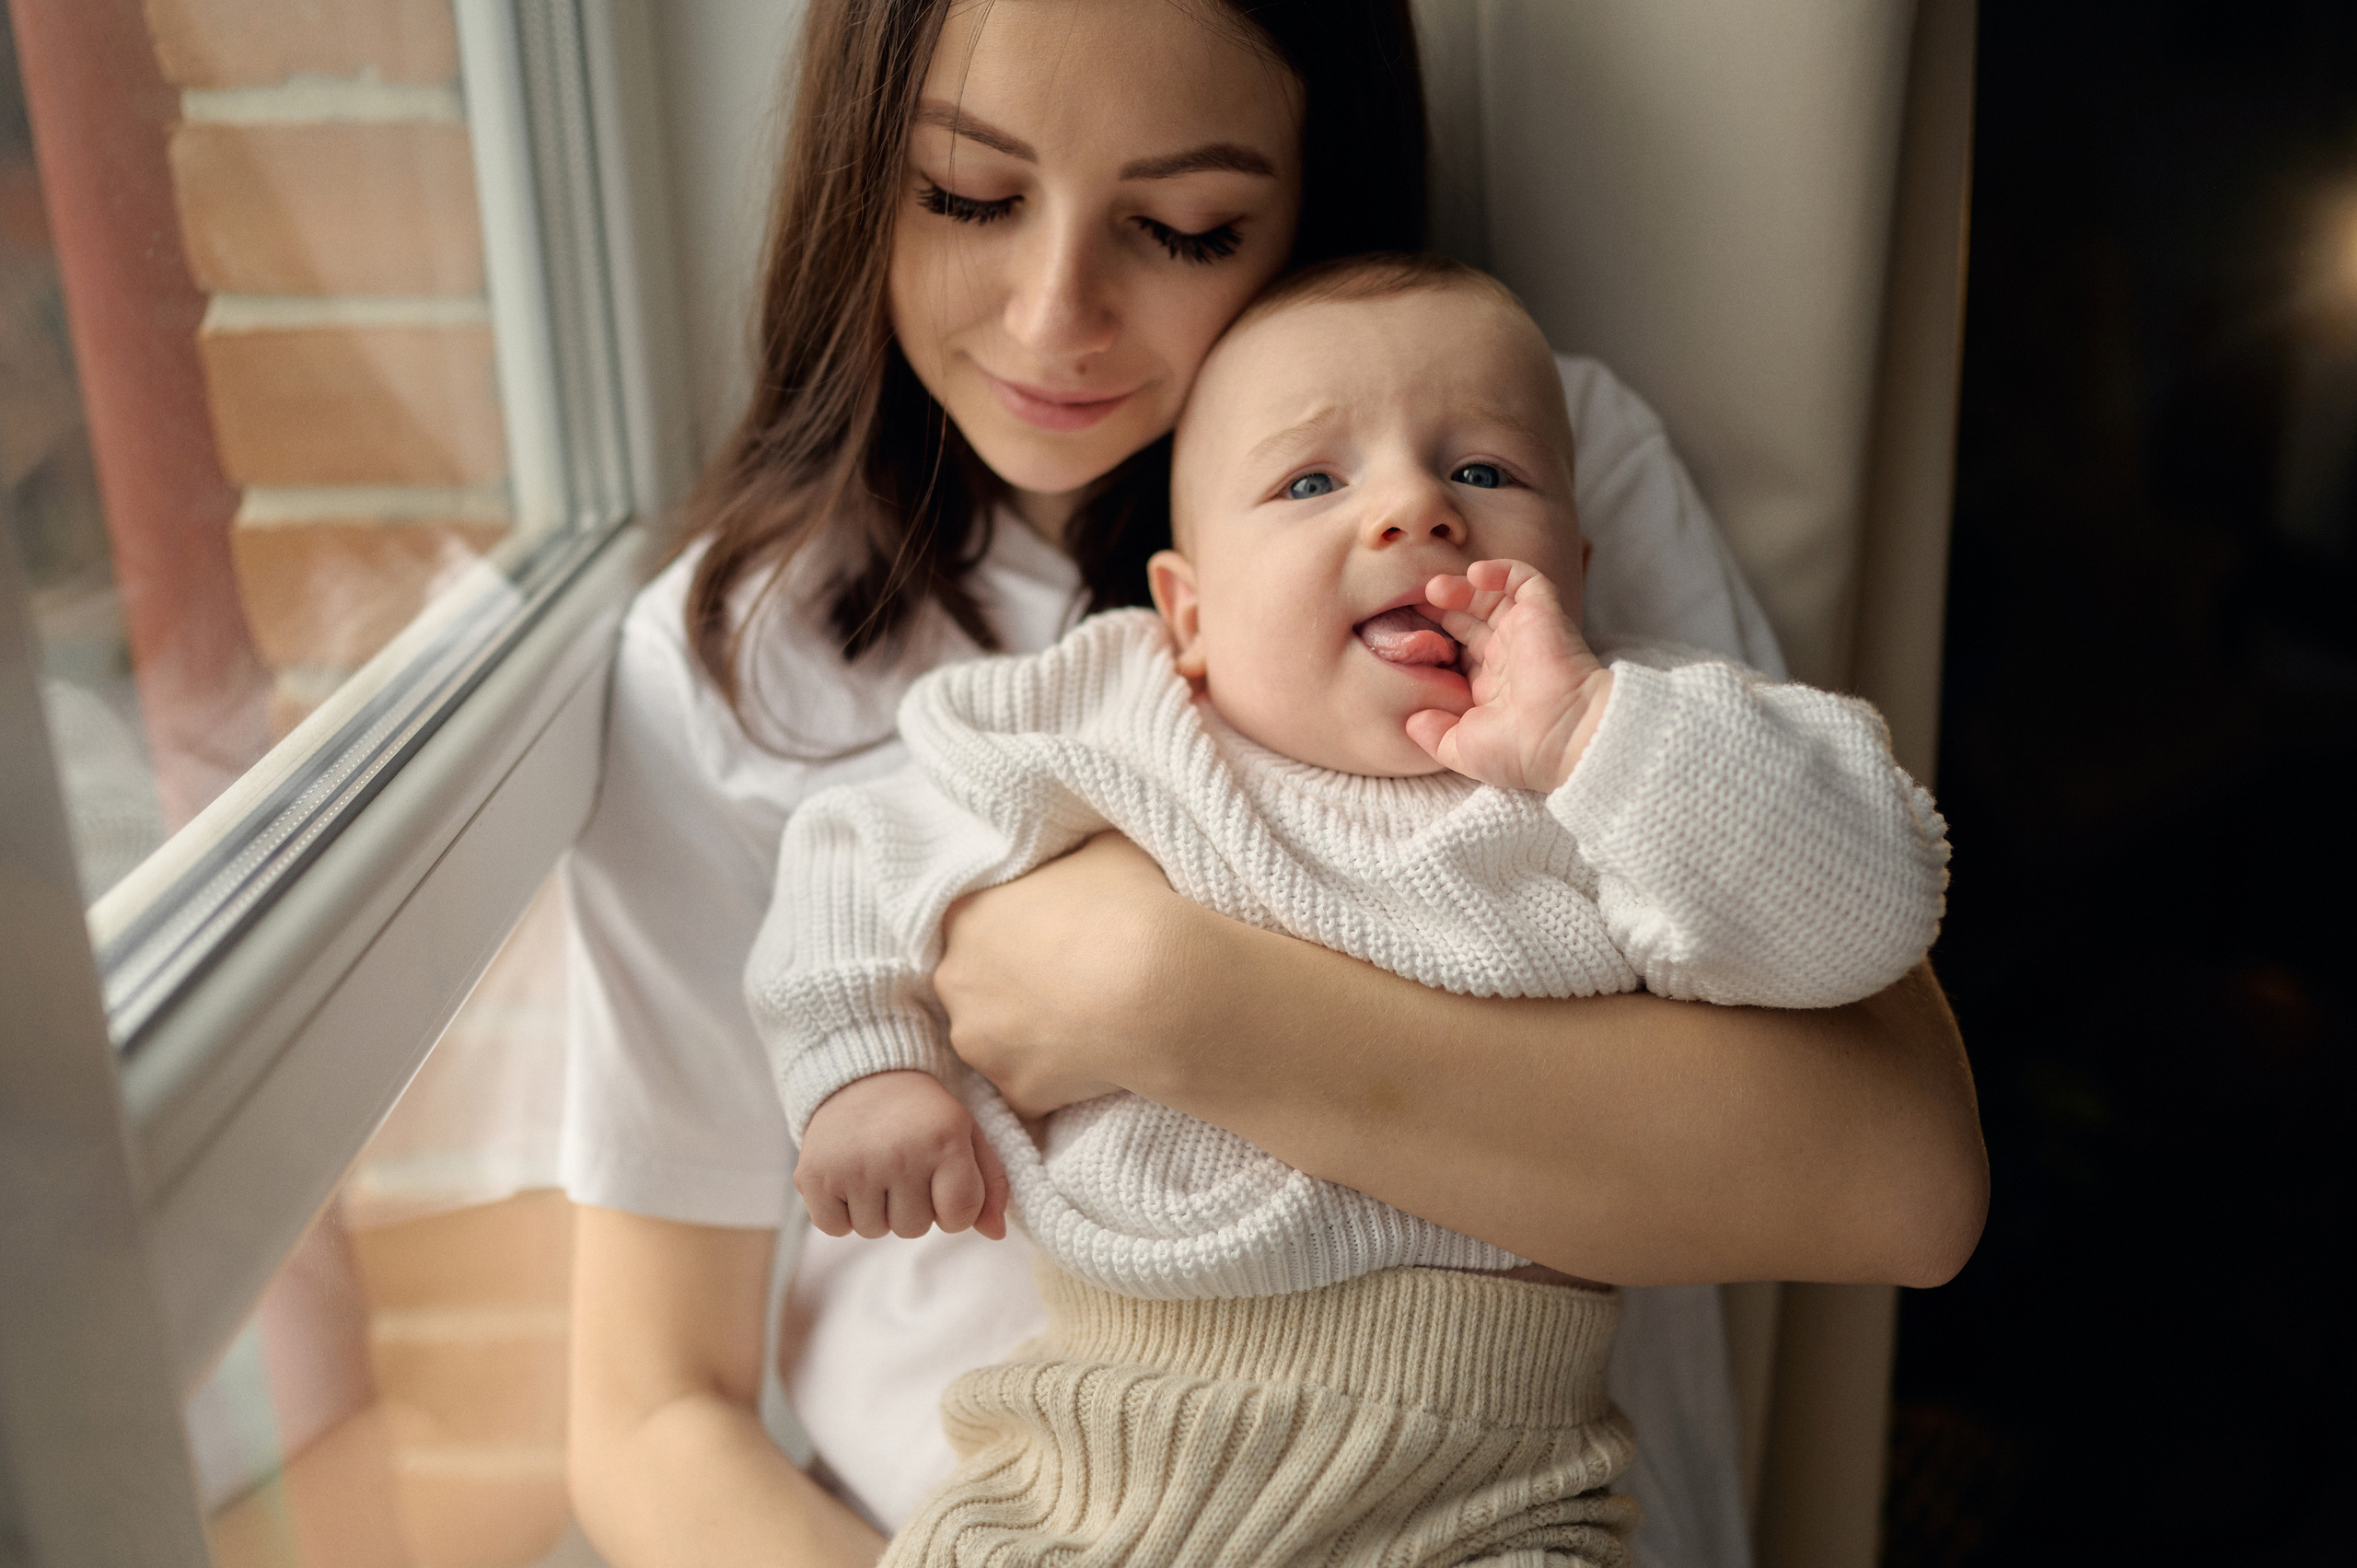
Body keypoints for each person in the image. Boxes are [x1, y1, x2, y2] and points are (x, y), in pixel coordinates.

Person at [559, 3, 1990, 1566]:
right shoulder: (739, 665)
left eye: (1184, 227)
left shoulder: (1517, 483)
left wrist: (1165, 994)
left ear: (1311, 194)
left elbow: (1901, 1180)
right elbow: (649, 1415)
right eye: (967, 195)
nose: (1054, 317)